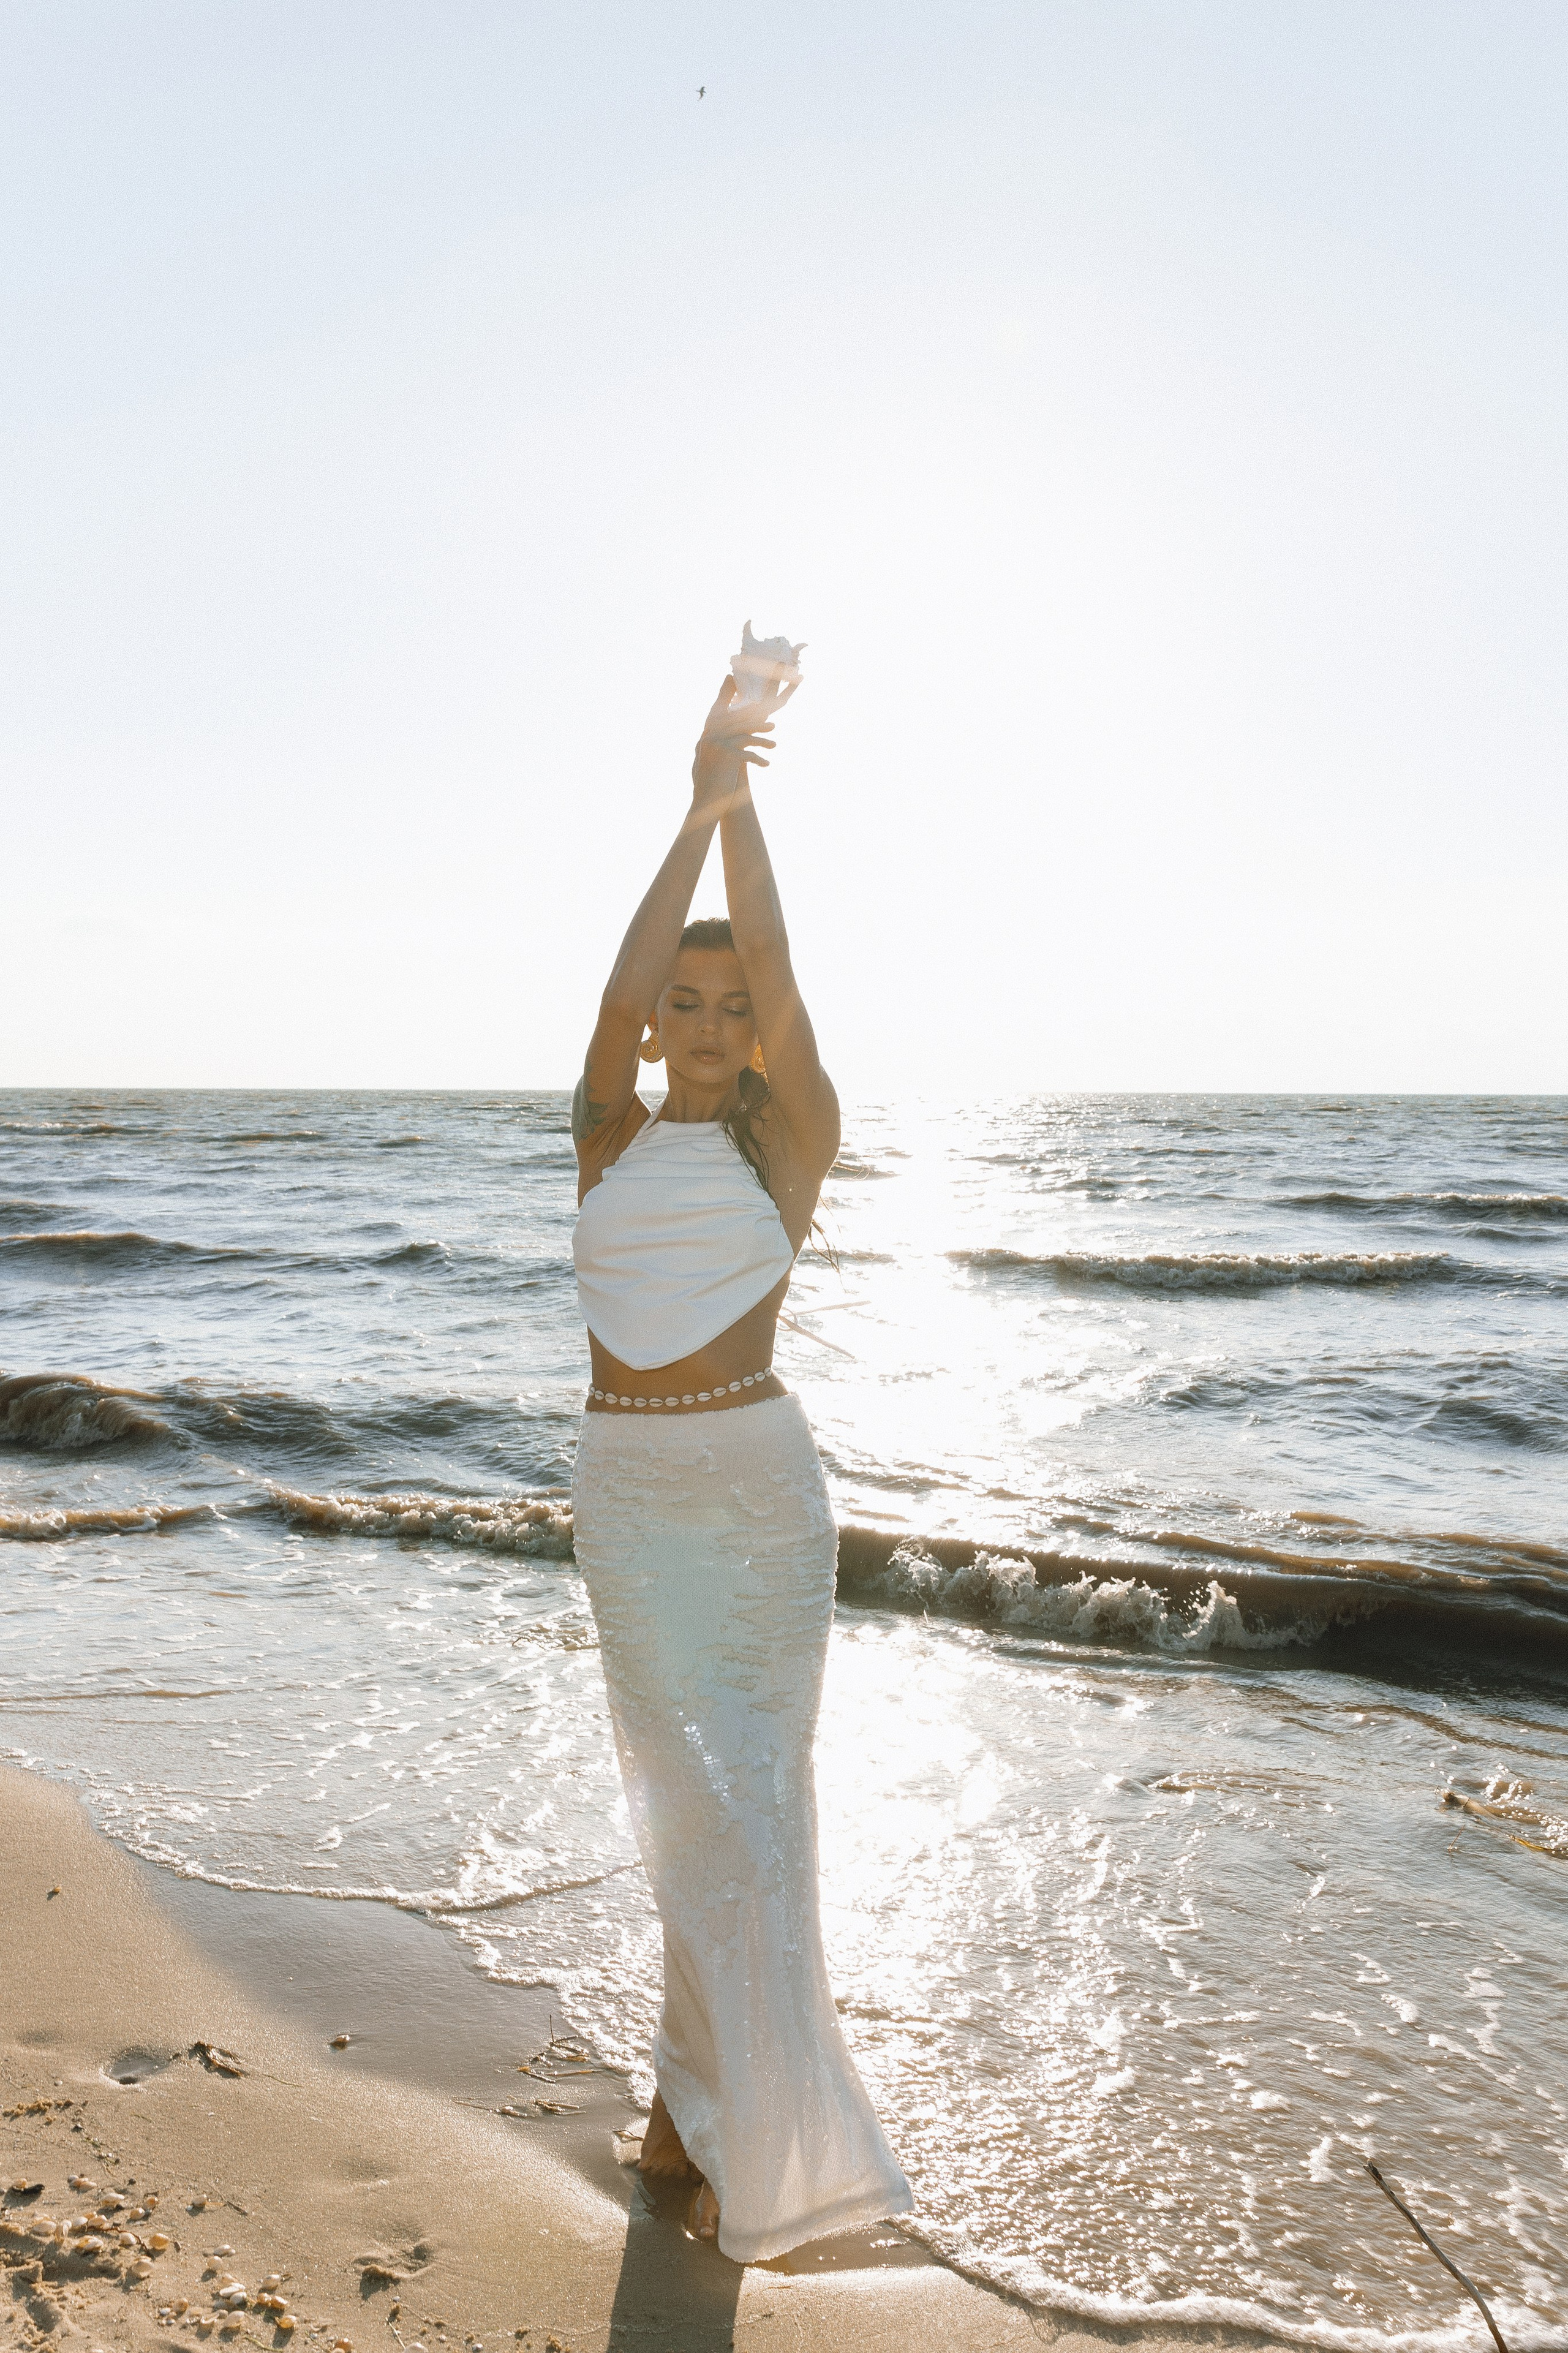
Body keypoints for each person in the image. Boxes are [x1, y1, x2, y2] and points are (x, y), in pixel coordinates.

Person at [569, 672, 913, 2262]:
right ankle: (678, 2113)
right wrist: (688, 808)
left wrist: (748, 801)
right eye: (682, 1005)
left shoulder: (796, 1134)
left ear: (759, 1027)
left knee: (756, 1818)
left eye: (730, 1005)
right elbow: (635, 967)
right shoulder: (605, 1129)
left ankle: (732, 2139)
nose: (705, 1015)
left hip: (760, 1503)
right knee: (682, 1818)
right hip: (631, 1507)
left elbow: (768, 951)